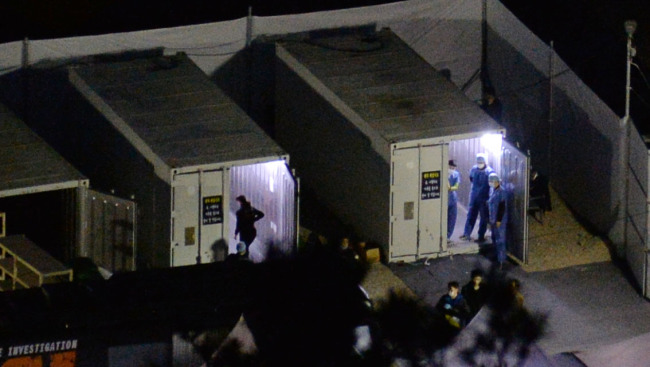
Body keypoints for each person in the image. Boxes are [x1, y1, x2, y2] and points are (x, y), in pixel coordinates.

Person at [460, 153, 494, 243]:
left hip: (484, 198)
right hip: (474, 197)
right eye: (478, 162)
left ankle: (481, 236)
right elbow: (471, 178)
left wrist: (489, 199)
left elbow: (491, 186)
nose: (479, 163)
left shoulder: (489, 172)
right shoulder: (474, 169)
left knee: (483, 218)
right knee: (471, 215)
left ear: (485, 162)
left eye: (481, 162)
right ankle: (466, 234)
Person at [487, 173, 508, 269]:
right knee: (494, 238)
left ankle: (502, 260)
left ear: (496, 182)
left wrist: (499, 220)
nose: (490, 183)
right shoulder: (493, 190)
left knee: (500, 240)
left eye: (491, 181)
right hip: (493, 219)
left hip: (500, 220)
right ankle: (497, 257)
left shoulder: (501, 192)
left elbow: (502, 207)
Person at [447, 160, 461, 242]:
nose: (452, 169)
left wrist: (451, 188)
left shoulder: (456, 174)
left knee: (452, 218)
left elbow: (457, 185)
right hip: (445, 199)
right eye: (450, 167)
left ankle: (448, 236)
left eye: (453, 168)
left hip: (452, 198)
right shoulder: (444, 173)